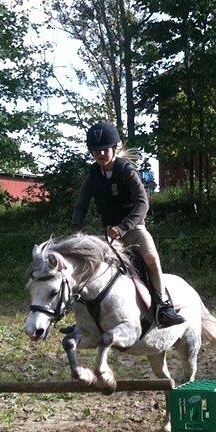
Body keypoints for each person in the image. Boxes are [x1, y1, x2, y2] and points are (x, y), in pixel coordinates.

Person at [71, 121, 184, 327]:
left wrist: (123, 227)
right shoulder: (93, 175)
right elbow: (81, 206)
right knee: (88, 263)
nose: (101, 154)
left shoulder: (126, 170)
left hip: (133, 229)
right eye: (96, 151)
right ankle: (86, 319)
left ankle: (163, 306)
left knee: (150, 258)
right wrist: (77, 231)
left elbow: (143, 202)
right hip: (108, 234)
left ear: (115, 148)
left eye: (105, 149)